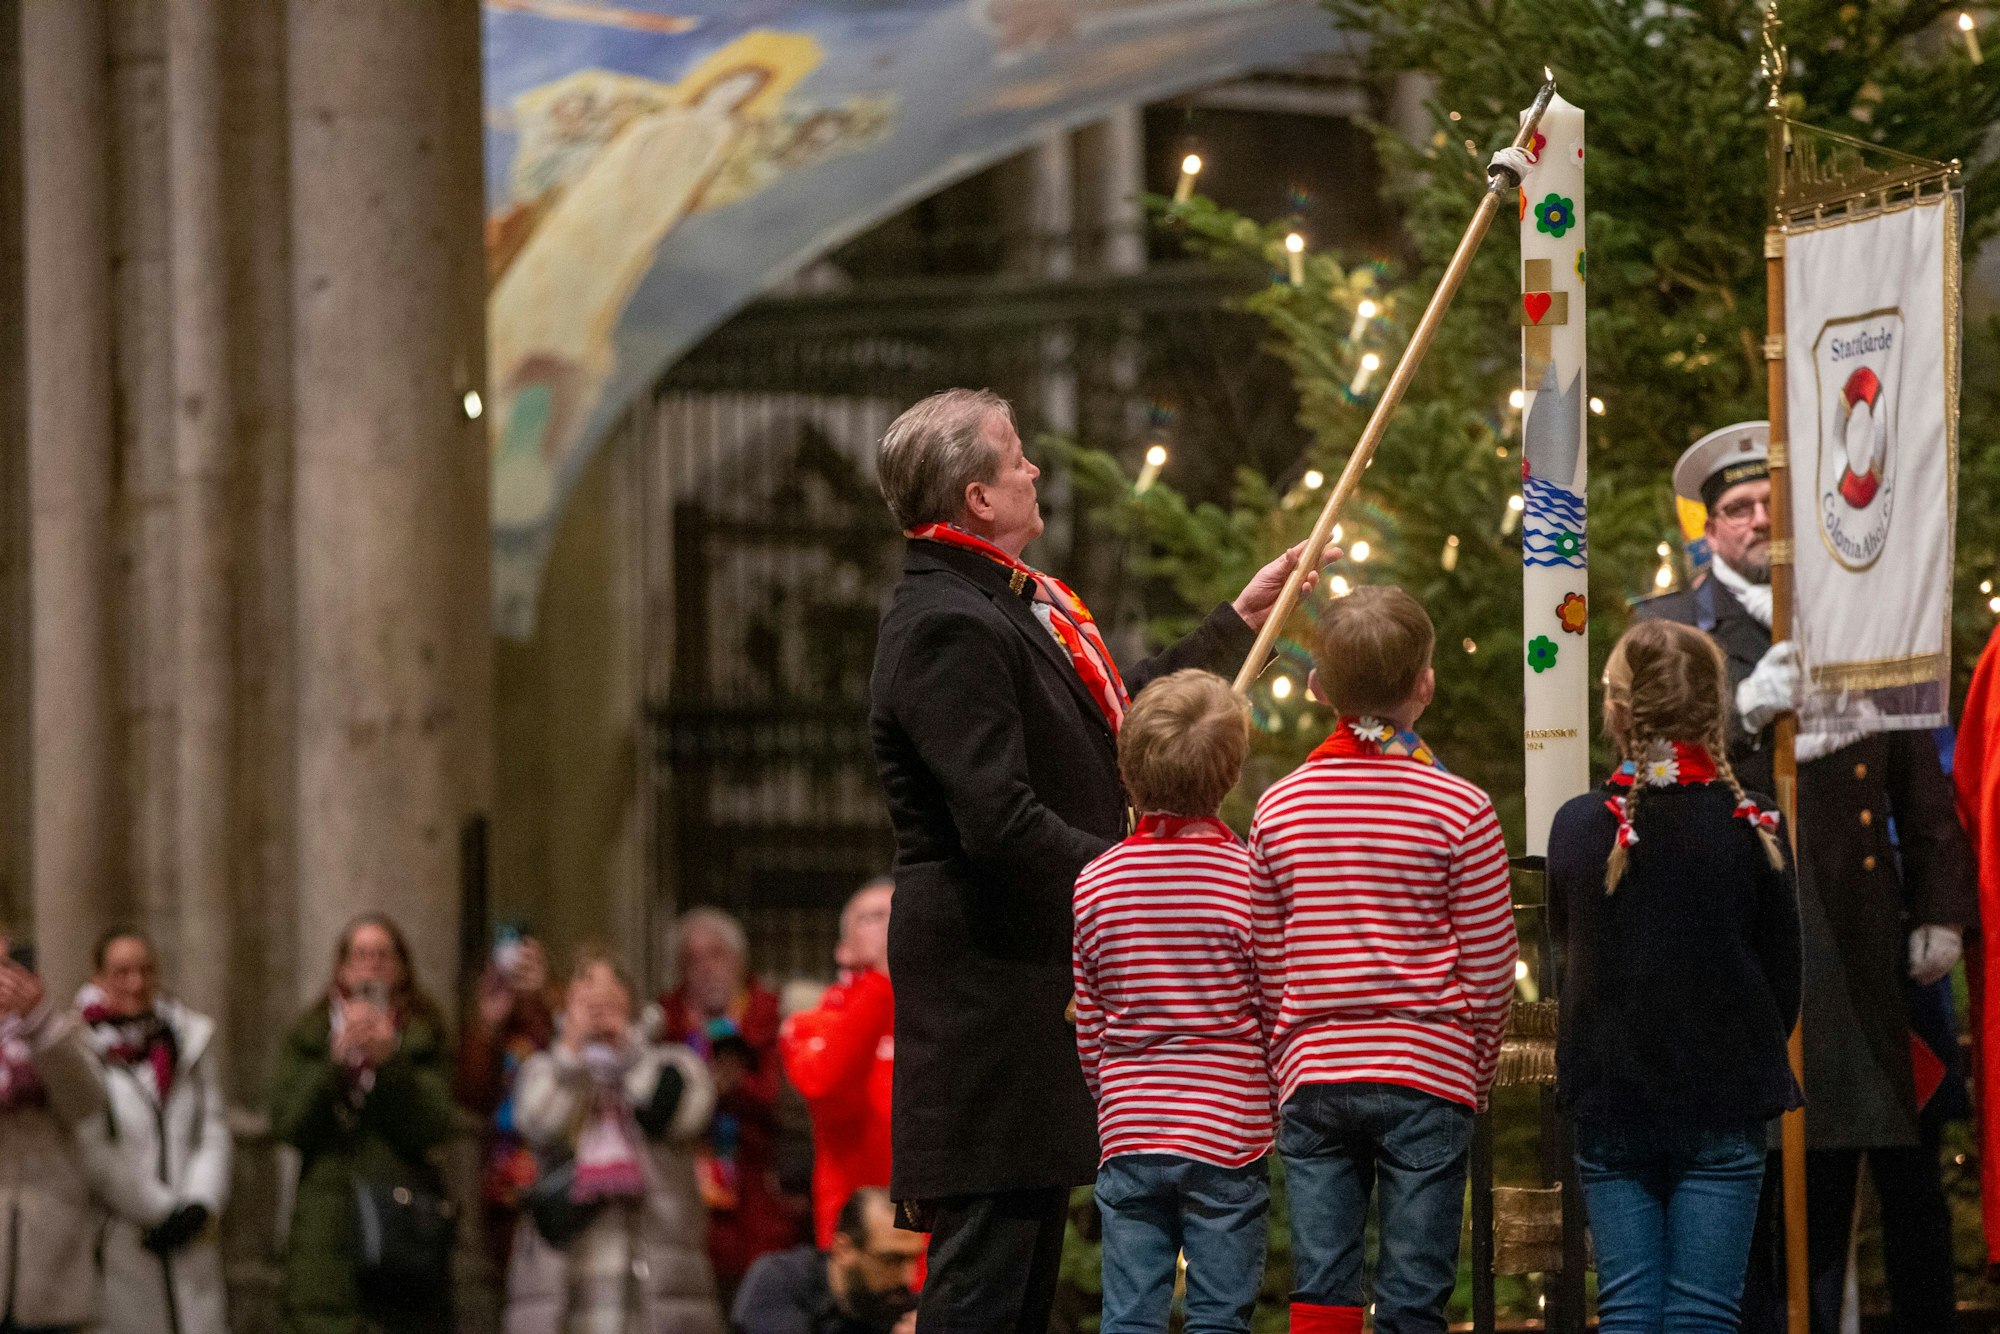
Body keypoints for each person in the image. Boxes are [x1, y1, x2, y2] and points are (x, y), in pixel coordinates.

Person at [869, 387, 1321, 1331]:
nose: (1034, 468)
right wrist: (1144, 879)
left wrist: (1236, 625)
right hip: (992, 1004)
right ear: (977, 498)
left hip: (1026, 990)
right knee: (986, 1284)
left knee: (1021, 1276)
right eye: (1016, 456)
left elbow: (1113, 718)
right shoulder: (949, 622)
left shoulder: (1002, 600)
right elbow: (1000, 822)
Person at [1638, 422, 1976, 1334]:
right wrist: (1738, 714)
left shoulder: (1862, 618)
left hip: (1868, 946)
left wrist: (1942, 909)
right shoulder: (1671, 629)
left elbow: (1920, 777)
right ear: (1710, 527)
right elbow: (1640, 776)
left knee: (1907, 1188)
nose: (1758, 521)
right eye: (1738, 508)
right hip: (1746, 949)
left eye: (1771, 505)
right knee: (1778, 1207)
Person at [1248, 585, 1517, 1334]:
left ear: (1317, 687)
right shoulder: (1461, 808)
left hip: (1315, 1071)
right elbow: (1491, 965)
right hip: (1428, 1071)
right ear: (1425, 684)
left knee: (1322, 1288)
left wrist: (1283, 1055)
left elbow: (1266, 957)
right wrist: (1475, 1070)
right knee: (1414, 1294)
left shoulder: (1279, 807)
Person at [1547, 621, 1802, 1333]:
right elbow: (1784, 981)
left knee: (1629, 1306)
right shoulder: (1756, 825)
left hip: (1614, 1096)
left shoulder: (1577, 826)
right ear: (1714, 708)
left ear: (1617, 711)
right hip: (1723, 1098)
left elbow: (1572, 958)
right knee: (1704, 1311)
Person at [1072, 669, 1270, 1334]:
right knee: (1221, 1316)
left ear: (1127, 774)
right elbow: (1273, 1005)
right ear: (1230, 774)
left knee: (1130, 1315)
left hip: (1130, 1128)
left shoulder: (1096, 881)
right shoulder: (1249, 880)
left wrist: (1114, 1096)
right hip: (1230, 1132)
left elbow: (1091, 1020)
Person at [504, 947, 723, 1334]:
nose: (598, 999)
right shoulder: (545, 1070)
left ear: (632, 999)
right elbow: (539, 1124)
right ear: (567, 1002)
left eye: (611, 987)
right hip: (565, 1286)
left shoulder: (674, 1064)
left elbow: (674, 1114)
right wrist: (573, 1055)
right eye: (586, 986)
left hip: (655, 1286)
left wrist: (627, 1055)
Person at [269, 913, 460, 1334]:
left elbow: (434, 1127)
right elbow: (287, 1124)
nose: (372, 965)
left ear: (403, 968)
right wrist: (332, 1067)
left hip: (403, 1223)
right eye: (361, 955)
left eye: (383, 955)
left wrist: (391, 1064)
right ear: (341, 968)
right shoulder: (310, 1034)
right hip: (326, 1226)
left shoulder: (425, 1035)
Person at [74, 928, 233, 1334]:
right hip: (125, 1235)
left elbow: (211, 1128)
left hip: (192, 1235)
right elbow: (92, 1145)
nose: (136, 983)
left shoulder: (187, 1037)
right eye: (122, 972)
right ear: (98, 978)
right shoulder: (81, 1047)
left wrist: (200, 1203)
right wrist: (159, 1210)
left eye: (146, 970)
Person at [659, 906, 797, 1294]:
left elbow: (785, 1101)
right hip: (687, 1201)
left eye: (716, 955)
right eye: (692, 960)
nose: (706, 969)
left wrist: (738, 1087)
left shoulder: (771, 1016)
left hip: (760, 1200)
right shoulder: (666, 1023)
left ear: (739, 960)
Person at [780, 880, 897, 1250]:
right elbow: (825, 1086)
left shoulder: (942, 1015)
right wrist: (881, 982)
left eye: (900, 913)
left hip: (936, 1237)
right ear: (843, 949)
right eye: (874, 917)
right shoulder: (812, 1021)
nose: (892, 923)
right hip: (861, 1243)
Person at [0, 921, 104, 1334]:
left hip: (49, 1252)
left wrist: (39, 1025)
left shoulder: (61, 1032)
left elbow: (87, 1106)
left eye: (7, 965)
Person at [459, 926, 561, 1270]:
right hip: (504, 1189)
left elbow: (576, 1066)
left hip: (558, 1176)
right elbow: (470, 1097)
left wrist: (547, 1000)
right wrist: (487, 1025)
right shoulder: (495, 1025)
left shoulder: (556, 1010)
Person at [731, 1188, 923, 1334]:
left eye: (913, 1259)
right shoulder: (780, 1279)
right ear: (843, 1250)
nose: (909, 1277)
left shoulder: (900, 1301)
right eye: (891, 1260)